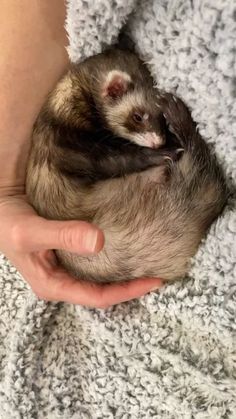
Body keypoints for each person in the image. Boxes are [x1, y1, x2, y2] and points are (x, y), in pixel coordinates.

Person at [0, 0, 162, 308]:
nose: (154, 139)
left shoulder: (65, 130)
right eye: (139, 119)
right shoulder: (67, 139)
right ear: (111, 91)